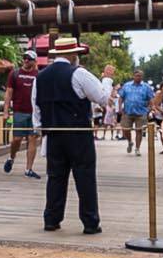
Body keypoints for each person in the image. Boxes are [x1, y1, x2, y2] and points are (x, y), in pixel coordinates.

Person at [34, 36, 112, 234]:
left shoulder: (40, 77)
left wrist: (41, 131)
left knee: (55, 177)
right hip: (78, 133)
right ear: (72, 55)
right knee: (85, 177)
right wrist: (107, 79)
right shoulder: (79, 73)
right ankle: (90, 222)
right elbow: (102, 98)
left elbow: (36, 108)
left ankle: (51, 219)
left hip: (53, 134)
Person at [3, 48, 41, 179]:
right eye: (24, 57)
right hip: (19, 111)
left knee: (32, 139)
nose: (25, 60)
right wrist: (6, 111)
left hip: (34, 113)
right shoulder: (15, 74)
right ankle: (11, 158)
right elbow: (8, 93)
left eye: (29, 58)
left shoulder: (39, 75)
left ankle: (28, 169)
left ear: (34, 61)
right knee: (16, 140)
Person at [118, 70, 156, 154]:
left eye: (140, 76)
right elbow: (121, 97)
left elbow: (151, 98)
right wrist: (120, 108)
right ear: (133, 76)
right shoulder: (126, 85)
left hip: (141, 112)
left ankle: (137, 148)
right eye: (137, 75)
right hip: (127, 111)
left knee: (139, 130)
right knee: (125, 129)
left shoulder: (146, 87)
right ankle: (130, 141)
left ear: (142, 77)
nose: (138, 77)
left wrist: (151, 108)